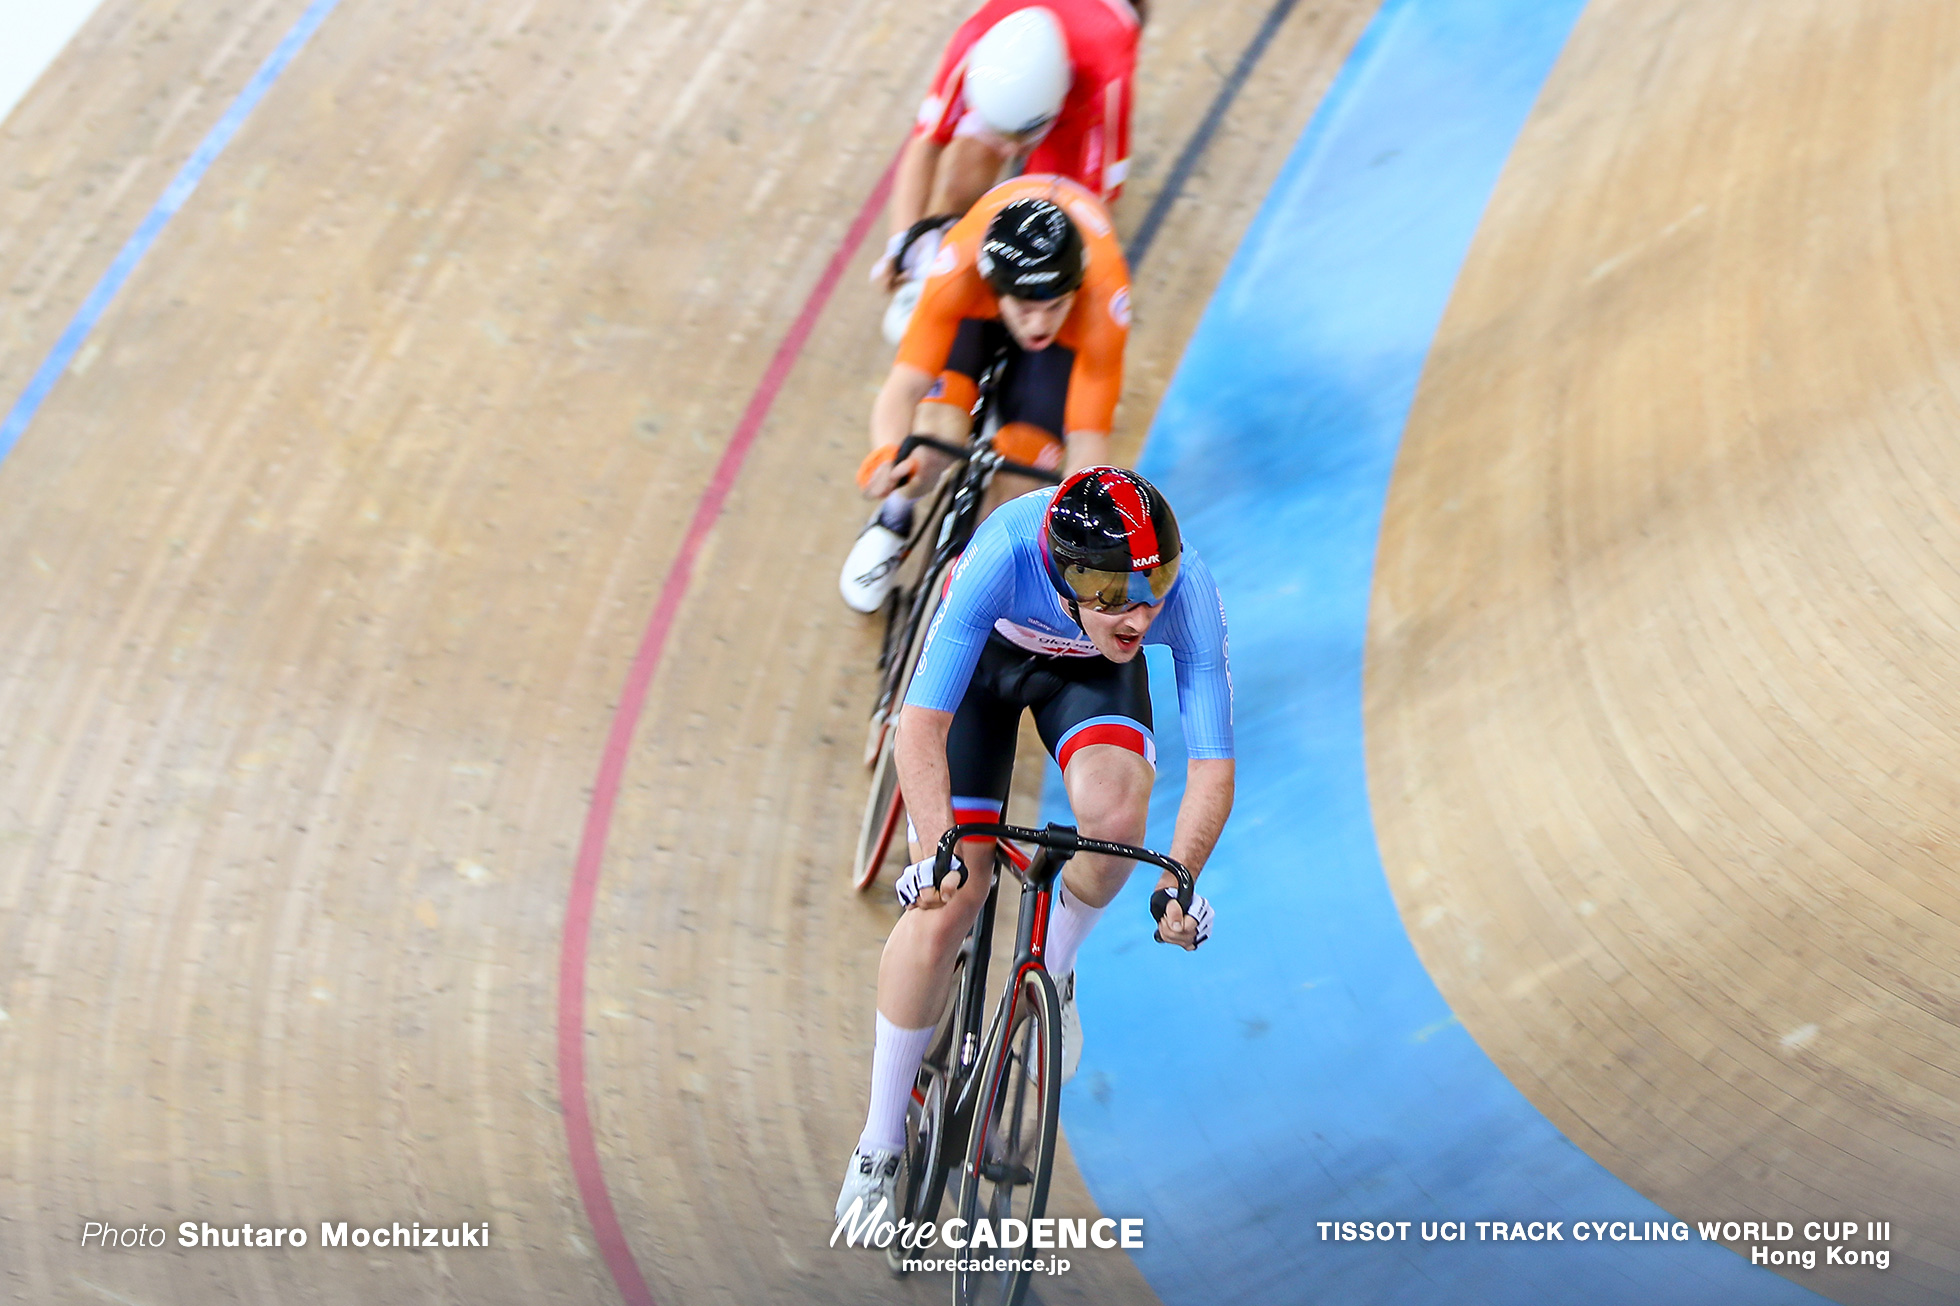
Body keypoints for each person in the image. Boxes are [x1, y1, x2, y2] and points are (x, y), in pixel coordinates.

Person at [834, 466, 1233, 1229]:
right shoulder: (1004, 552)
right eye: (1116, 593)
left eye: (1156, 586)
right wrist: (934, 855)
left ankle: (1050, 979)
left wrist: (1181, 880)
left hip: (1087, 684)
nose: (1141, 615)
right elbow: (921, 727)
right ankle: (880, 1142)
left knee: (1117, 820)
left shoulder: (1178, 596)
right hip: (982, 670)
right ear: (1066, 572)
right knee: (950, 899)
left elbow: (1214, 764)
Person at [839, 175, 1131, 612]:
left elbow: (1087, 446)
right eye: (1026, 308)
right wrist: (887, 455)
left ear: (1074, 289)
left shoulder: (1103, 297)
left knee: (1019, 481)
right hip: (973, 310)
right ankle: (894, 516)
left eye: (1053, 306)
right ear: (996, 288)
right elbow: (903, 388)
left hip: (1069, 341)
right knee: (934, 442)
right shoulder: (958, 270)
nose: (1038, 324)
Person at [873, 0, 1142, 343]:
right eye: (1001, 136)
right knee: (964, 177)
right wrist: (903, 246)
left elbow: (1095, 210)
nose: (1008, 151)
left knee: (1053, 220)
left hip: (1080, 99)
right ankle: (949, 270)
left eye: (1019, 140)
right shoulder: (973, 44)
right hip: (1023, 83)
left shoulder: (1108, 79)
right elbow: (926, 145)